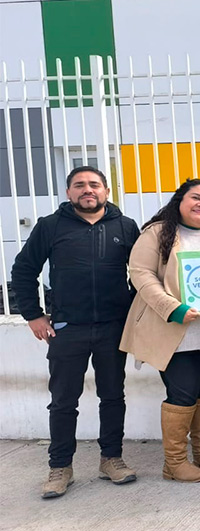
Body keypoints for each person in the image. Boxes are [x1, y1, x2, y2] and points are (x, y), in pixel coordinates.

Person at [11, 166, 140, 499]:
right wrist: (33, 315)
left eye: (94, 185)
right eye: (79, 185)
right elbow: (24, 270)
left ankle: (111, 459)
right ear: (69, 193)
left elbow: (142, 274)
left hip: (114, 328)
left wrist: (134, 313)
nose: (88, 190)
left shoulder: (125, 227)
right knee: (63, 401)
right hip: (67, 328)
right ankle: (60, 466)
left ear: (106, 191)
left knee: (113, 396)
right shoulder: (51, 226)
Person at [120, 179, 200, 483]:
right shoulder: (157, 233)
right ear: (180, 201)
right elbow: (141, 273)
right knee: (182, 393)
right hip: (175, 331)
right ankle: (174, 462)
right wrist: (171, 307)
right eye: (195, 197)